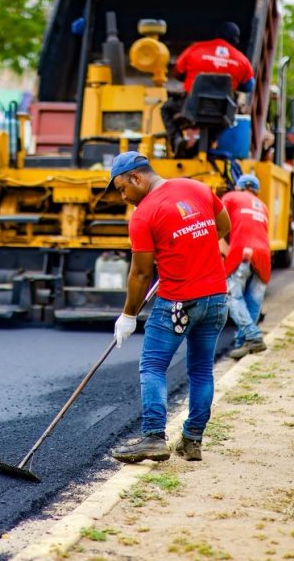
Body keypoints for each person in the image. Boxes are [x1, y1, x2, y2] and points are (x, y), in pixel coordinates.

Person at [107, 151, 230, 463]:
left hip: (178, 302)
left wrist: (128, 315)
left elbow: (141, 273)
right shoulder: (197, 188)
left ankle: (152, 437)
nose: (123, 197)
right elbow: (223, 225)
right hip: (216, 297)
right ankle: (192, 441)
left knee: (153, 366)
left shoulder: (144, 214)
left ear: (136, 177)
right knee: (201, 369)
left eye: (123, 188)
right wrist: (191, 251)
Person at [161, 22, 255, 157]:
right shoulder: (242, 60)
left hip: (191, 107)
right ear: (235, 39)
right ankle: (199, 148)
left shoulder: (195, 49)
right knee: (226, 120)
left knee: (166, 108)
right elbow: (248, 86)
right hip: (221, 112)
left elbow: (177, 72)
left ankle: (177, 140)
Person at [221, 174, 270, 359]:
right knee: (253, 301)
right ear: (255, 190)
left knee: (233, 297)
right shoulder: (262, 206)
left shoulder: (231, 197)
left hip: (242, 251)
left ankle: (254, 336)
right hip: (263, 254)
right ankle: (243, 343)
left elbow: (216, 224)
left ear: (239, 187)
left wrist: (225, 249)